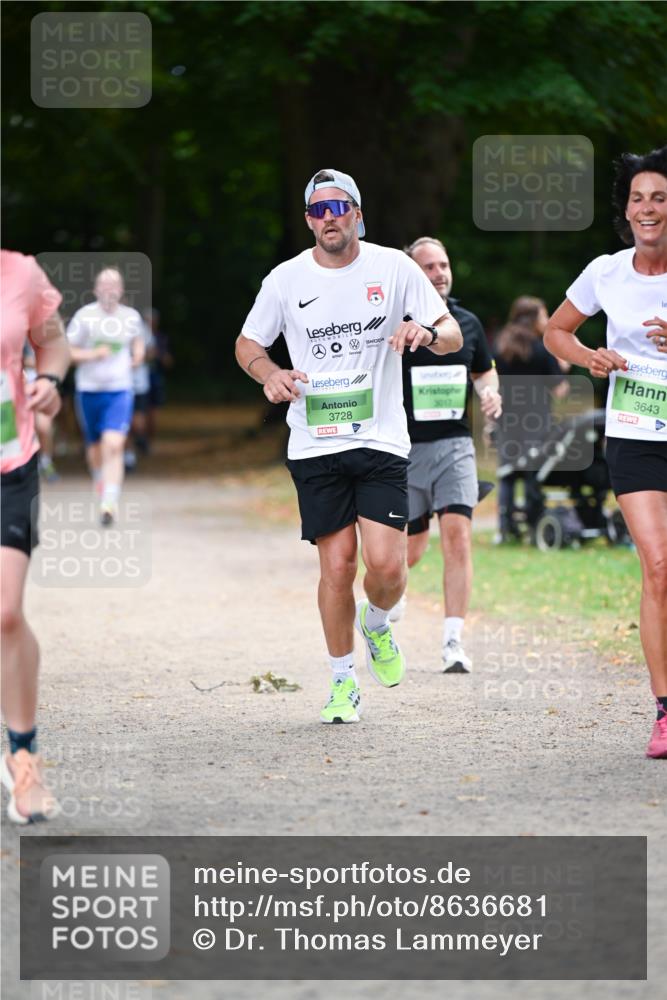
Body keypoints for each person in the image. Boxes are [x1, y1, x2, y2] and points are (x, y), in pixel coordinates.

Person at [235, 169, 462, 723]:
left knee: (386, 568)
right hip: (314, 442)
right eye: (317, 210)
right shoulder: (285, 280)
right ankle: (342, 682)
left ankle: (378, 623)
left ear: (358, 213)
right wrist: (268, 373)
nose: (328, 217)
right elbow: (247, 343)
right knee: (336, 567)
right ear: (308, 220)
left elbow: (450, 331)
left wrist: (426, 335)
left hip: (381, 438)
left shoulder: (395, 267)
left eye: (339, 206)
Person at [544, 144, 667, 760]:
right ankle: (665, 711)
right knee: (658, 565)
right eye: (638, 198)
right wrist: (589, 356)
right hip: (636, 432)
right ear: (626, 209)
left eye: (660, 199)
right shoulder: (606, 272)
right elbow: (555, 330)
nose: (648, 209)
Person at [391, 237, 502, 673]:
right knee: (409, 551)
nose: (440, 273)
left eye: (444, 264)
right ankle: (386, 597)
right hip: (404, 450)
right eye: (430, 267)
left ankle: (453, 641)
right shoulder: (393, 323)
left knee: (457, 538)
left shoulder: (466, 323)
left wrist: (490, 394)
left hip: (455, 447)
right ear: (412, 273)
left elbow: (484, 370)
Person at [1, 249, 70, 822]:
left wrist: (48, 379)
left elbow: (53, 340)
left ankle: (24, 758)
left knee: (4, 612)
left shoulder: (19, 273)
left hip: (9, 463)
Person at [67, 268, 145, 525]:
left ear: (121, 290)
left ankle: (109, 502)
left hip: (120, 389)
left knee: (114, 443)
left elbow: (138, 341)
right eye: (104, 285)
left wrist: (138, 354)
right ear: (96, 289)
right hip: (88, 390)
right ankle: (101, 482)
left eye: (114, 285)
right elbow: (68, 352)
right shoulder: (85, 316)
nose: (109, 290)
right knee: (95, 449)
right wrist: (93, 354)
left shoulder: (131, 317)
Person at [493, 300, 566, 541]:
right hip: (536, 421)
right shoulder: (541, 349)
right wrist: (562, 368)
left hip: (507, 420)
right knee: (533, 472)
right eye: (544, 316)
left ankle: (505, 528)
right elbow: (560, 390)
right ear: (534, 319)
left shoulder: (500, 346)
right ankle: (534, 527)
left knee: (508, 474)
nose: (546, 321)